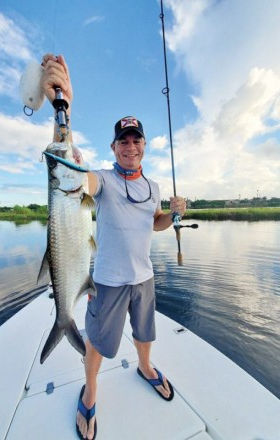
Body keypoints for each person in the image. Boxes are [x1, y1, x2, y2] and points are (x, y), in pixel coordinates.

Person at [41, 54, 186, 440]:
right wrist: (63, 116)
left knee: (144, 332)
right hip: (106, 281)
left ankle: (146, 367)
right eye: (123, 140)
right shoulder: (102, 179)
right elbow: (74, 180)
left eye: (136, 139)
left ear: (143, 145)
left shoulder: (152, 187)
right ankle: (90, 392)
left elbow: (153, 223)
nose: (130, 146)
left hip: (145, 277)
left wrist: (171, 215)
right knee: (99, 344)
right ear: (114, 146)